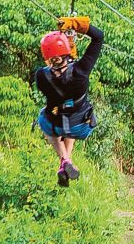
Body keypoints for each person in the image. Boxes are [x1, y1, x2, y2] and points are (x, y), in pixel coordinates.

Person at [34, 15, 103, 186]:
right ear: (66, 52)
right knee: (72, 118)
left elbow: (57, 72)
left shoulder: (41, 76)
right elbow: (98, 37)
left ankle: (64, 159)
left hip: (55, 124)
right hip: (80, 126)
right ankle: (65, 163)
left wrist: (66, 47)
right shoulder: (81, 71)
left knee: (46, 118)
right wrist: (77, 25)